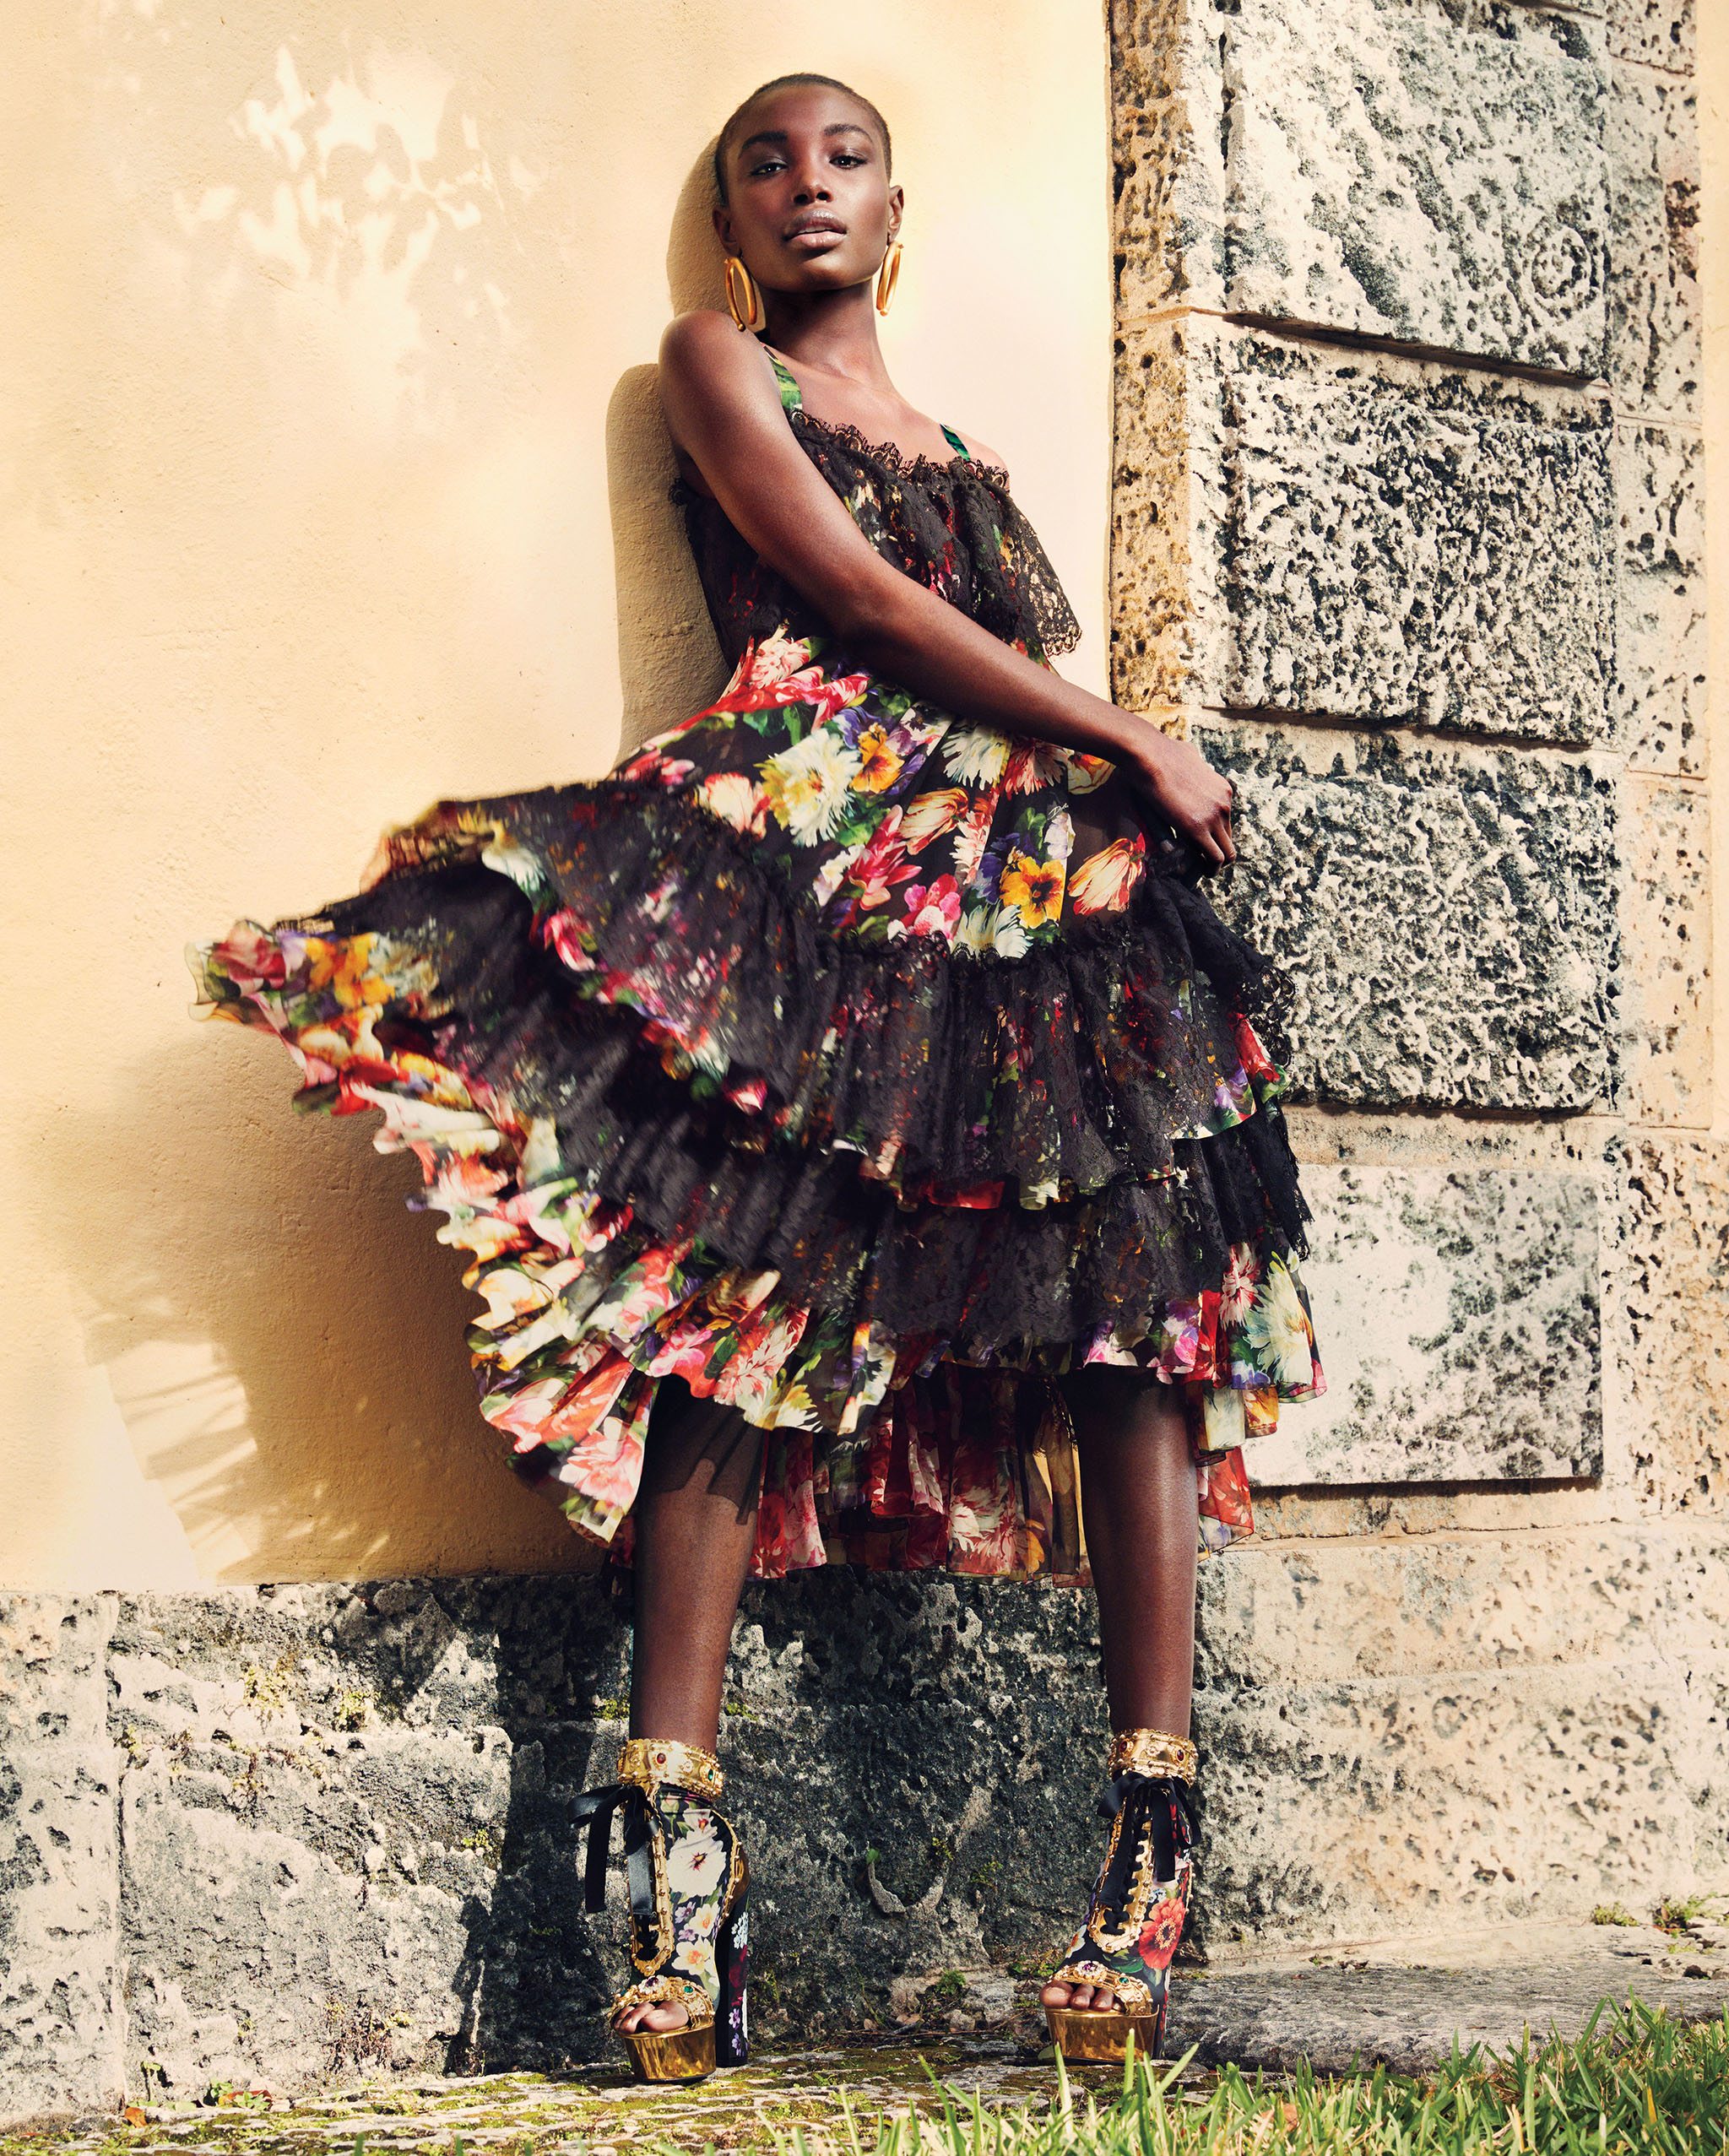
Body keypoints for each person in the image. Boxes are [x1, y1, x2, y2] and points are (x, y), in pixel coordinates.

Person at [190, 71, 1325, 2084]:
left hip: (1021, 898)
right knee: (744, 1303)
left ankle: (1146, 1844)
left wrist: (1098, 790)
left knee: (1138, 1301)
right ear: (730, 220)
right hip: (812, 867)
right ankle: (672, 1858)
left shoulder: (967, 447)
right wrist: (1134, 734)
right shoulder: (714, 365)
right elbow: (873, 615)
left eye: (847, 156)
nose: (807, 185)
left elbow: (983, 628)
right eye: (764, 161)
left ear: (905, 204)